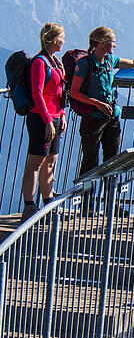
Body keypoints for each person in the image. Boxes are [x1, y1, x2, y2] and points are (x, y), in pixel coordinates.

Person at [70, 26, 134, 179]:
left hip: (112, 116)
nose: (115, 45)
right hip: (92, 117)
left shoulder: (109, 60)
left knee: (113, 159)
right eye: (113, 42)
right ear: (102, 42)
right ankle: (87, 200)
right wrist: (97, 103)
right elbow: (74, 92)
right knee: (90, 160)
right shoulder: (85, 64)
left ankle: (108, 197)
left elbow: (133, 63)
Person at [20, 23, 68, 222]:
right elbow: (37, 94)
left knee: (51, 161)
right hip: (41, 119)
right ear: (55, 39)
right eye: (62, 37)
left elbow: (58, 93)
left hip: (55, 117)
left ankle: (48, 204)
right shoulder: (40, 62)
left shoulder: (55, 61)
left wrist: (62, 114)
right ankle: (29, 207)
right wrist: (48, 120)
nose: (64, 41)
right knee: (35, 162)